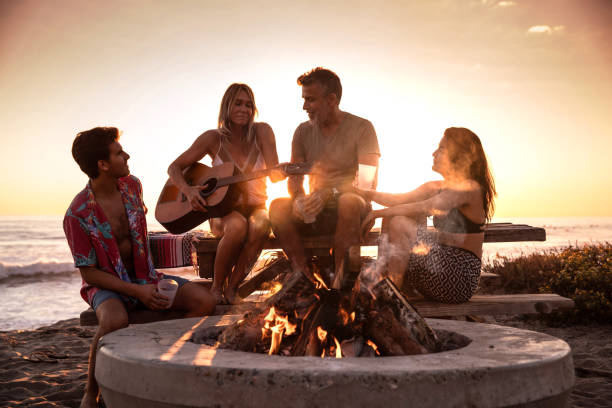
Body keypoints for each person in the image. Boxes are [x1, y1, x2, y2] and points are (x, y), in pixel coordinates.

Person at [63, 127, 215, 408]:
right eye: (119, 153)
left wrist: (145, 286)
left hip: (146, 277)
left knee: (203, 301)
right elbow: (89, 273)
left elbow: (140, 234)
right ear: (103, 164)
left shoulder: (133, 186)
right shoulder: (77, 214)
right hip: (106, 284)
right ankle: (90, 392)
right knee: (113, 321)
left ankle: (163, 355)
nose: (127, 155)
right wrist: (137, 291)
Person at [167, 83, 283, 305]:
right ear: (226, 106)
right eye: (238, 103)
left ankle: (233, 288)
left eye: (249, 105)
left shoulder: (263, 132)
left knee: (261, 224)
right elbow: (174, 167)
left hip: (257, 206)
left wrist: (284, 171)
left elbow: (275, 174)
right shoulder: (212, 138)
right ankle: (216, 288)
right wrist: (188, 190)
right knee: (238, 226)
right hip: (223, 210)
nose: (244, 109)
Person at [358, 127, 496, 303]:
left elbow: (426, 207)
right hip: (437, 268)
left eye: (441, 149)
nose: (434, 153)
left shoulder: (469, 187)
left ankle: (391, 299)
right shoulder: (437, 186)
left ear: (458, 154)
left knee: (399, 221)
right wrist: (366, 193)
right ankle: (384, 284)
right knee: (393, 217)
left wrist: (376, 213)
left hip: (458, 278)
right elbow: (399, 200)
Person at [269, 67, 380, 283]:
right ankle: (304, 279)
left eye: (310, 100)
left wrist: (330, 193)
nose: (304, 107)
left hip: (354, 207)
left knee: (349, 202)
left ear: (331, 99)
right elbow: (295, 180)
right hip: (317, 212)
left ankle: (343, 285)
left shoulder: (362, 128)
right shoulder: (302, 132)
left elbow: (368, 183)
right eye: (304, 99)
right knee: (277, 207)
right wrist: (299, 199)